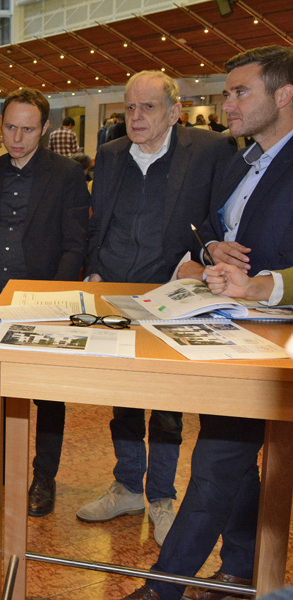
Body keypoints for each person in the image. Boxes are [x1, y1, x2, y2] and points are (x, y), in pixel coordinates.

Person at [124, 45, 293, 600]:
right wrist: (212, 249)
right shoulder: (241, 160)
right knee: (234, 458)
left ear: (284, 95)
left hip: (273, 344)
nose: (227, 104)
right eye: (227, 93)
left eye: (241, 92)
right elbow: (211, 226)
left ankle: (162, 588)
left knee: (218, 458)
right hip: (226, 333)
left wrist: (262, 284)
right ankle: (241, 568)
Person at [82, 70, 235, 547]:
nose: (136, 116)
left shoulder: (208, 151)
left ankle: (162, 498)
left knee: (167, 404)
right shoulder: (111, 155)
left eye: (148, 107)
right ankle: (128, 486)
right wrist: (93, 271)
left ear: (174, 112)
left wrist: (200, 259)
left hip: (171, 294)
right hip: (116, 292)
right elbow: (98, 222)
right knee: (123, 396)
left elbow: (218, 218)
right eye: (129, 107)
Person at [0, 89, 90, 517]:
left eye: (28, 129)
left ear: (45, 129)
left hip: (44, 303)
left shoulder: (67, 174)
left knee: (48, 398)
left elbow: (75, 243)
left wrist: (52, 298)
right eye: (10, 128)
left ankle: (43, 476)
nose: (17, 138)